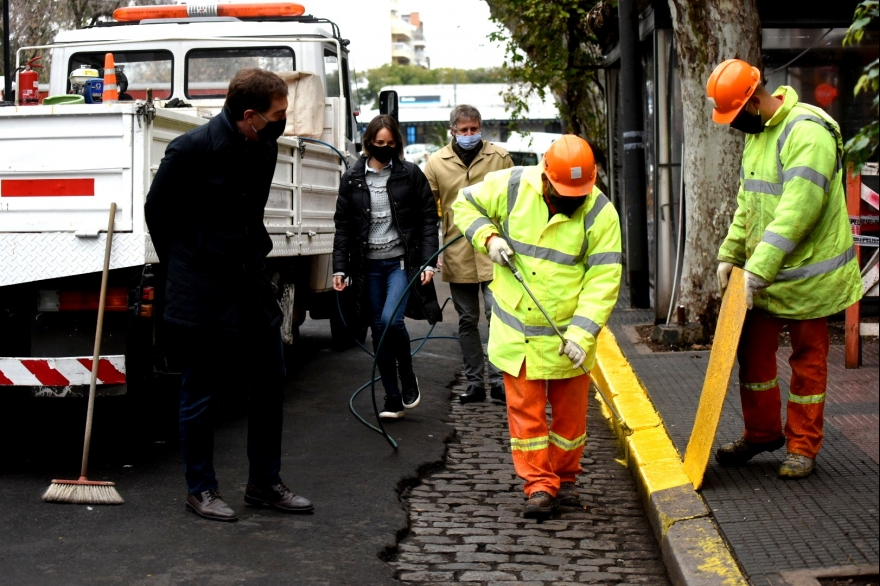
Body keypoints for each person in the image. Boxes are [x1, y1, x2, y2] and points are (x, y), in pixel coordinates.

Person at [145, 68, 313, 522]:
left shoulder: (266, 145)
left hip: (250, 281)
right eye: (277, 113)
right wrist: (188, 261)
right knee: (200, 390)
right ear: (249, 114)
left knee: (270, 378)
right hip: (202, 286)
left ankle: (263, 483)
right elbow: (157, 213)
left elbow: (248, 213)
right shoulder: (190, 149)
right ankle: (200, 489)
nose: (284, 119)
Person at [707, 59, 862, 479]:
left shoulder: (807, 132)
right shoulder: (760, 136)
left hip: (809, 276)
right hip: (766, 275)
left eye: (738, 117)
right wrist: (730, 254)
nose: (736, 126)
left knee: (808, 363)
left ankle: (802, 446)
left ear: (755, 100)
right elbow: (748, 205)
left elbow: (798, 211)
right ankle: (762, 435)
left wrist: (755, 270)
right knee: (752, 359)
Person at [453, 135, 622, 517]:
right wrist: (488, 237)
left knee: (570, 421)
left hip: (568, 337)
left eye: (578, 193)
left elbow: (604, 279)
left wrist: (582, 333)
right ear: (545, 177)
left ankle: (565, 479)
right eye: (564, 192)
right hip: (520, 334)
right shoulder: (512, 185)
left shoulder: (600, 213)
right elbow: (464, 205)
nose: (571, 200)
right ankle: (540, 487)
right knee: (526, 415)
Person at [332, 115, 441, 420]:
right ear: (368, 143)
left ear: (397, 145)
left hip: (400, 263)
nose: (385, 148)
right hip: (367, 267)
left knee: (391, 320)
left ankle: (407, 377)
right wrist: (339, 268)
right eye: (379, 144)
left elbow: (427, 220)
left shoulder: (410, 174)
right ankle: (392, 398)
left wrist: (428, 261)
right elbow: (343, 226)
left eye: (391, 144)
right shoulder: (352, 179)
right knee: (378, 330)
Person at [424, 105, 513, 405]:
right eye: (464, 130)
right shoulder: (436, 163)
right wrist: (426, 252)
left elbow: (515, 204)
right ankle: (475, 383)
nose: (470, 135)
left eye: (474, 129)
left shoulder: (499, 158)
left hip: (495, 250)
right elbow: (427, 209)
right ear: (453, 131)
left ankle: (501, 382)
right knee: (467, 320)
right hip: (457, 251)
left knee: (498, 315)